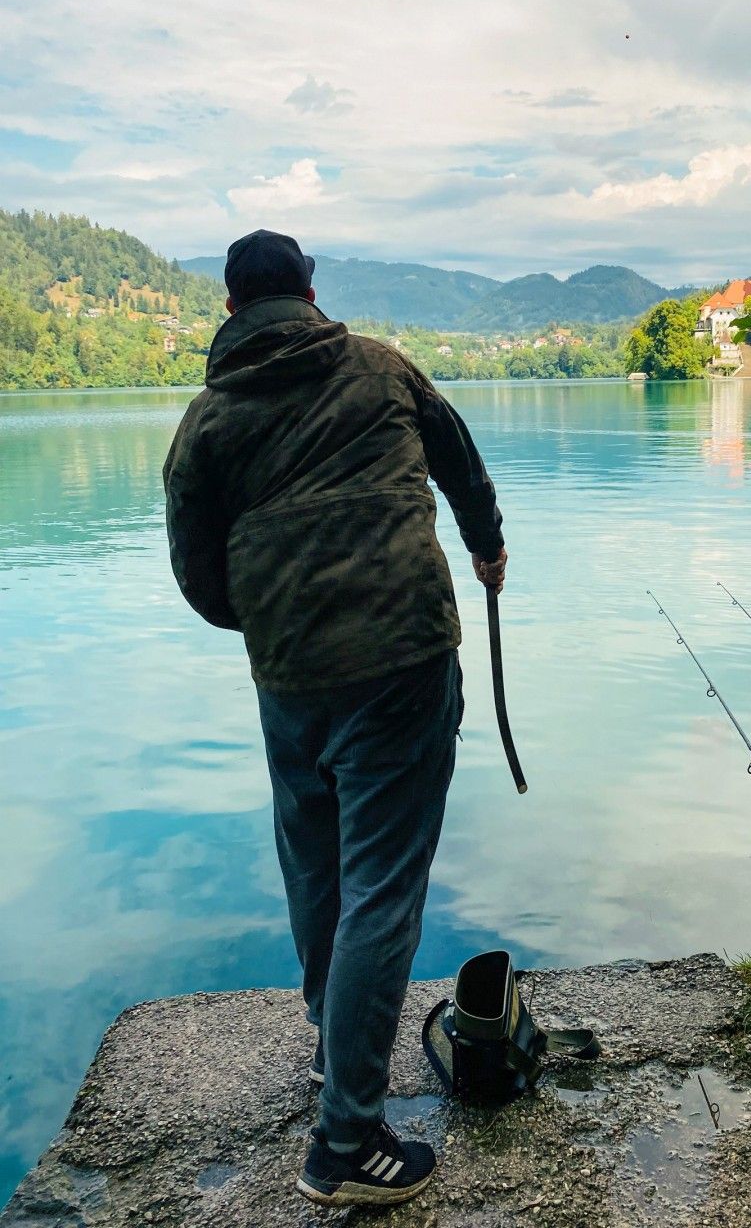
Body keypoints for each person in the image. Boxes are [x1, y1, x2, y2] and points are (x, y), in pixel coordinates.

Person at [162, 228, 506, 1208]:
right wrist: (487, 549)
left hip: (289, 679)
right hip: (400, 660)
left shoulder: (206, 423)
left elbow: (201, 580)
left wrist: (275, 620)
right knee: (381, 895)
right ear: (310, 294)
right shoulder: (381, 368)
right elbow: (460, 464)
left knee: (318, 871)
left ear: (231, 310)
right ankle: (346, 1143)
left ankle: (334, 1061)